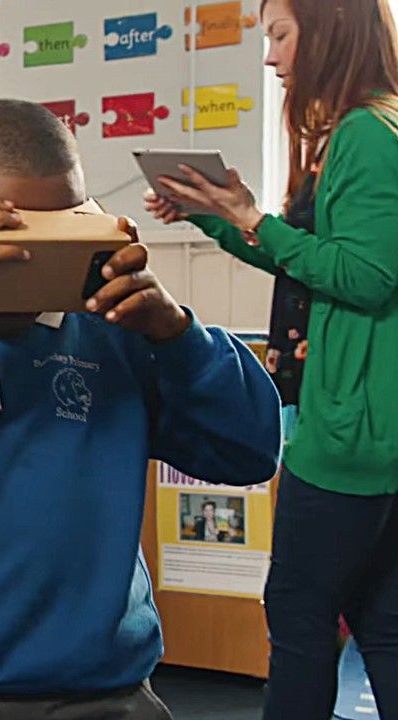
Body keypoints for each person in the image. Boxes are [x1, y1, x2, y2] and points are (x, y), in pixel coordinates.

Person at [0, 99, 282, 720]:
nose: (32, 256)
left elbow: (248, 451)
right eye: (1, 234)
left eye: (61, 227)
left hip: (102, 695)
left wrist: (175, 333)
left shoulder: (116, 334)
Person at [144, 0, 398, 715]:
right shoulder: (368, 128)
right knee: (380, 619)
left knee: (297, 612)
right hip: (370, 427)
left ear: (330, 28)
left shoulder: (366, 133)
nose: (271, 56)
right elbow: (311, 263)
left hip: (352, 432)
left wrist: (251, 217)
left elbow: (366, 276)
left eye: (281, 35)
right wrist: (220, 218)